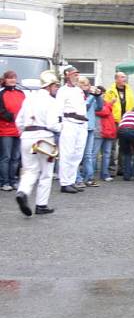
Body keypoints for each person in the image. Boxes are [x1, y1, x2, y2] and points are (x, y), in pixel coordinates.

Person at [14, 70, 62, 216]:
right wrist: (62, 127)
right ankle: (41, 205)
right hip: (44, 137)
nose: (56, 89)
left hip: (27, 136)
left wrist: (24, 132)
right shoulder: (51, 102)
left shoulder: (28, 99)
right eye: (55, 86)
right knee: (46, 173)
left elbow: (19, 121)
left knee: (30, 170)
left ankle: (23, 192)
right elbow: (53, 124)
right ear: (50, 86)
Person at [56, 65, 89, 194]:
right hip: (69, 122)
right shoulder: (62, 91)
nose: (76, 76)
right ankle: (64, 183)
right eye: (74, 74)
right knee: (67, 154)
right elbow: (58, 108)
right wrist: (59, 125)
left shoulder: (78, 90)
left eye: (77, 74)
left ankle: (71, 180)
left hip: (81, 124)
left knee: (77, 154)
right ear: (67, 75)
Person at [104, 71, 134, 175]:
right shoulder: (110, 91)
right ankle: (111, 168)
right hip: (114, 121)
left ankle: (121, 168)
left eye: (125, 77)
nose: (124, 79)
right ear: (116, 79)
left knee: (124, 145)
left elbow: (132, 105)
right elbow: (106, 106)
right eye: (122, 77)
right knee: (112, 146)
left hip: (125, 121)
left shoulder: (129, 90)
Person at [0, 70, 26, 191]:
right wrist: (14, 116)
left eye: (14, 78)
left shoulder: (21, 93)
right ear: (5, 80)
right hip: (5, 130)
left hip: (18, 130)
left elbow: (25, 108)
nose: (12, 80)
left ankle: (13, 180)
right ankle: (4, 181)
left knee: (16, 157)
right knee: (6, 157)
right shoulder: (2, 94)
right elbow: (1, 111)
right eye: (10, 78)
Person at [76, 77, 103, 187]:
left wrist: (98, 96)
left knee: (88, 155)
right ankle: (77, 179)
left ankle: (89, 178)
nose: (88, 87)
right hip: (80, 127)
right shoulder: (77, 96)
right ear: (80, 86)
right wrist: (92, 95)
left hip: (90, 128)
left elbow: (100, 108)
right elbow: (85, 107)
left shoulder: (90, 96)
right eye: (86, 85)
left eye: (88, 85)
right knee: (77, 155)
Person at [93, 89, 117, 182]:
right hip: (99, 132)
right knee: (94, 154)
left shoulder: (106, 104)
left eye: (104, 94)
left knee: (107, 154)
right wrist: (110, 104)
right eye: (102, 94)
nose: (103, 96)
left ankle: (105, 174)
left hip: (108, 132)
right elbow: (104, 111)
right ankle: (90, 174)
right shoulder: (96, 103)